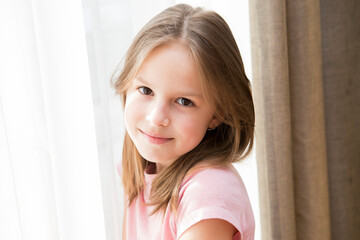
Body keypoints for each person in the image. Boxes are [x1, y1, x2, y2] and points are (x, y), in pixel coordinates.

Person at [111, 3, 255, 240]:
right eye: (146, 90)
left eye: (184, 101)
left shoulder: (208, 192)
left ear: (217, 114)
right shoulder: (140, 169)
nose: (156, 117)